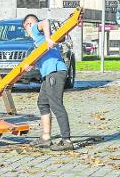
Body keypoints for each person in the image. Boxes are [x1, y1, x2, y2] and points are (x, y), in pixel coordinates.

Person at [22, 14, 73, 151]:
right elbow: (43, 58)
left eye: (25, 29)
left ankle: (66, 140)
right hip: (48, 74)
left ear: (28, 25)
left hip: (55, 72)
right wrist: (32, 66)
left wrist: (47, 38)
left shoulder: (34, 28)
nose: (28, 33)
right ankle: (46, 137)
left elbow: (45, 22)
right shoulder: (38, 44)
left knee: (56, 105)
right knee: (42, 102)